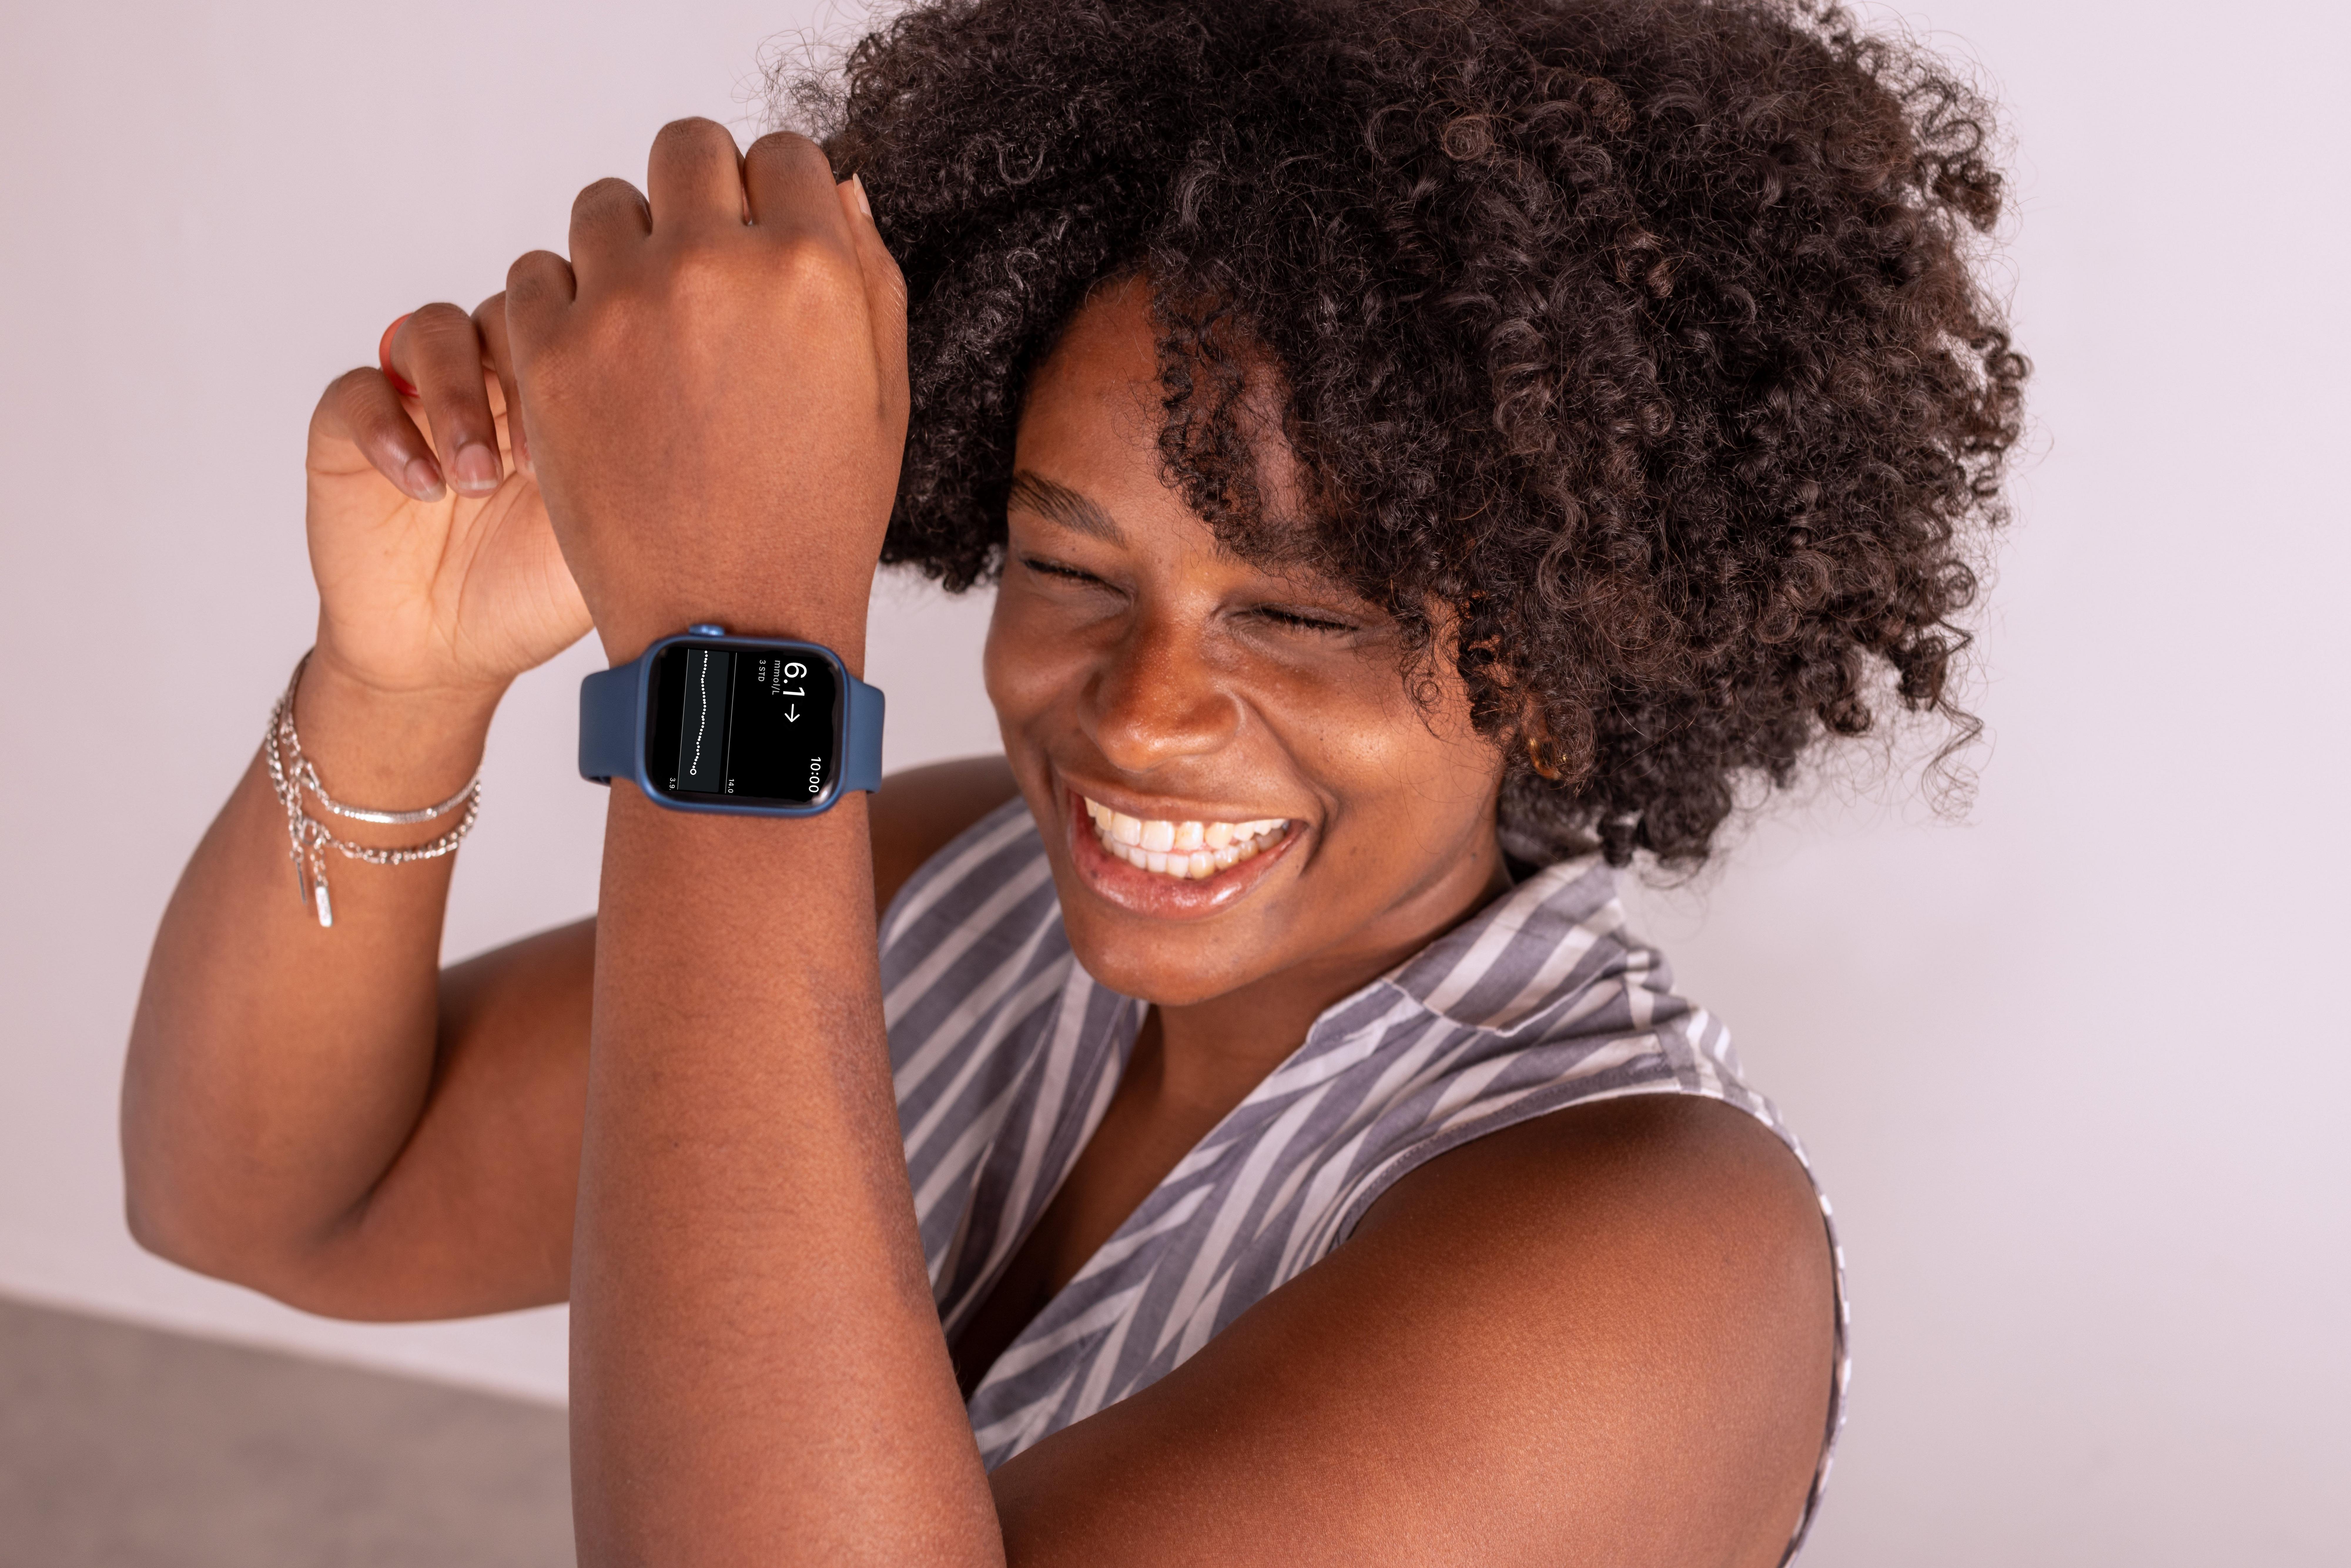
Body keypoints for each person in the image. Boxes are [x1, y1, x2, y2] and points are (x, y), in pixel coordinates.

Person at [121, 0, 2022, 1561]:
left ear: (1557, 646)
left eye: (1301, 613)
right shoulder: (971, 902)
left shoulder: (1656, 1249)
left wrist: (736, 658)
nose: (1141, 712)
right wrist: (401, 675)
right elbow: (280, 1197)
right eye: (1073, 568)